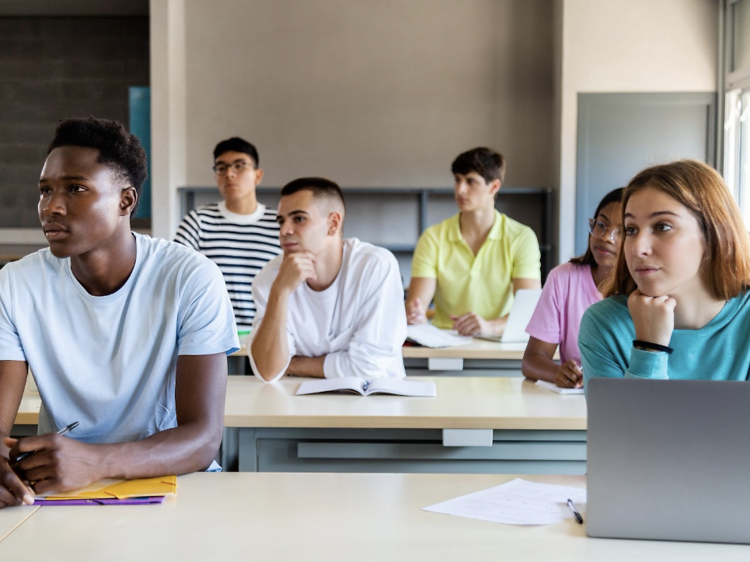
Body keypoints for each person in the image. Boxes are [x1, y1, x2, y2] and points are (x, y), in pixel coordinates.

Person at [0, 117, 239, 508]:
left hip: (172, 485)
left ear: (126, 200)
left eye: (76, 188)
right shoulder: (15, 284)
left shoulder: (189, 277)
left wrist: (96, 461)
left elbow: (203, 438)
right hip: (59, 492)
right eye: (45, 190)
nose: (52, 206)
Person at [579, 159, 750, 390]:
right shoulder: (604, 324)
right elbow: (627, 427)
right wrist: (649, 348)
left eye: (662, 227)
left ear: (713, 233)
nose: (638, 248)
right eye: (631, 230)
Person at [250, 177, 407, 382]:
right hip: (297, 404)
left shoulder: (375, 265)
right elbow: (268, 371)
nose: (284, 231)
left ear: (333, 223)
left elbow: (368, 367)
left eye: (298, 219)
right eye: (281, 221)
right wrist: (280, 291)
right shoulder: (270, 278)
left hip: (375, 400)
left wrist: (292, 364)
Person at [406, 147, 541, 336]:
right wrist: (416, 317)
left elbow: (529, 311)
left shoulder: (522, 237)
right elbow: (416, 304)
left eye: (470, 181)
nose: (460, 189)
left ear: (494, 187)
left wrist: (489, 327)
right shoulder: (432, 238)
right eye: (457, 180)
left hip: (498, 342)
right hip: (445, 342)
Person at [174, 137, 281, 332]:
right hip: (212, 333)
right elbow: (176, 275)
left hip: (269, 334)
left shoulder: (280, 224)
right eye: (221, 168)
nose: (229, 174)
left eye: (239, 166)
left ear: (258, 175)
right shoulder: (197, 222)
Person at [522, 188, 624, 389]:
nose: (605, 237)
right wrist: (557, 372)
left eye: (620, 232)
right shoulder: (563, 278)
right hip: (575, 404)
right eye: (601, 225)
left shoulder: (648, 288)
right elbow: (532, 359)